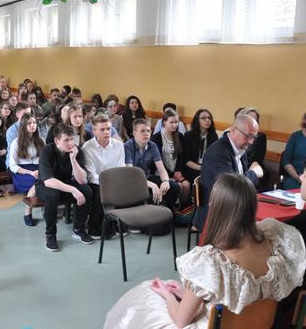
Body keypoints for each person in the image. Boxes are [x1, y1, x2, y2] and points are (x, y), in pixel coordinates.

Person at [103, 173, 306, 329]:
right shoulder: (276, 242)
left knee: (144, 295)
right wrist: (191, 293)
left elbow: (181, 320)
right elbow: (242, 295)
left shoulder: (209, 262)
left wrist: (168, 296)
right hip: (259, 324)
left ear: (215, 208)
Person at [193, 114, 263, 231]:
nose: (251, 142)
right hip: (216, 213)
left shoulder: (240, 148)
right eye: (248, 136)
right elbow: (231, 187)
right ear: (233, 130)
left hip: (233, 206)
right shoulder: (218, 152)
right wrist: (254, 173)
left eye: (254, 137)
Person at [35, 124, 94, 251]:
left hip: (64, 183)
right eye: (66, 140)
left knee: (86, 191)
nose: (70, 143)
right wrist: (73, 190)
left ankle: (78, 229)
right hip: (45, 185)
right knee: (52, 194)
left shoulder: (76, 150)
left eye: (72, 139)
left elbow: (81, 180)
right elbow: (49, 181)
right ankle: (50, 234)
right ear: (57, 141)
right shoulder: (47, 151)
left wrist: (73, 160)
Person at [82, 114, 125, 239]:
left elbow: (121, 167)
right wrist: (106, 184)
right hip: (96, 182)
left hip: (115, 181)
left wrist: (115, 183)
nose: (107, 132)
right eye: (102, 129)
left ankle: (119, 222)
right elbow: (91, 174)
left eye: (109, 129)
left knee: (125, 189)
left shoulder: (118, 145)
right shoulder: (87, 147)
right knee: (100, 192)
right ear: (94, 131)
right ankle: (93, 226)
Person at [124, 118, 180, 210]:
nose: (146, 133)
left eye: (148, 131)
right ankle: (160, 211)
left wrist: (165, 181)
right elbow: (131, 174)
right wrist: (153, 185)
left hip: (147, 177)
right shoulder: (127, 146)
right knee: (150, 196)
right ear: (134, 133)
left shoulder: (152, 146)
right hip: (133, 181)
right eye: (142, 131)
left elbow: (161, 169)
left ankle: (168, 211)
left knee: (174, 187)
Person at [9, 113, 45, 225]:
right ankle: (27, 213)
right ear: (23, 126)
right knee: (38, 182)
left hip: (39, 169)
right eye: (29, 123)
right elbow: (13, 166)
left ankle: (47, 209)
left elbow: (46, 160)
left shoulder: (41, 140)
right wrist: (30, 172)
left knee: (43, 181)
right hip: (23, 172)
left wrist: (41, 171)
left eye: (34, 123)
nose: (33, 125)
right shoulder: (16, 142)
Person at [151, 109, 191, 203]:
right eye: (171, 122)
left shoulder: (179, 136)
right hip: (161, 173)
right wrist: (172, 175)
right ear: (164, 122)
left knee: (187, 185)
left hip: (176, 172)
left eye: (176, 122)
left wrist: (178, 172)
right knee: (179, 186)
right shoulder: (156, 138)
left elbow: (181, 157)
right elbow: (157, 161)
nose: (175, 125)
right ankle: (173, 206)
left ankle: (181, 209)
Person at [182, 109, 218, 183]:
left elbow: (214, 157)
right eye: (203, 118)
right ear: (197, 120)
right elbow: (186, 160)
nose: (207, 120)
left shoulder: (213, 136)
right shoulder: (189, 135)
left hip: (207, 167)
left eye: (209, 118)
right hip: (192, 168)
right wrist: (201, 168)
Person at [281, 112, 306, 190]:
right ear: (304, 121)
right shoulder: (295, 136)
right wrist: (298, 178)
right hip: (295, 178)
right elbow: (286, 161)